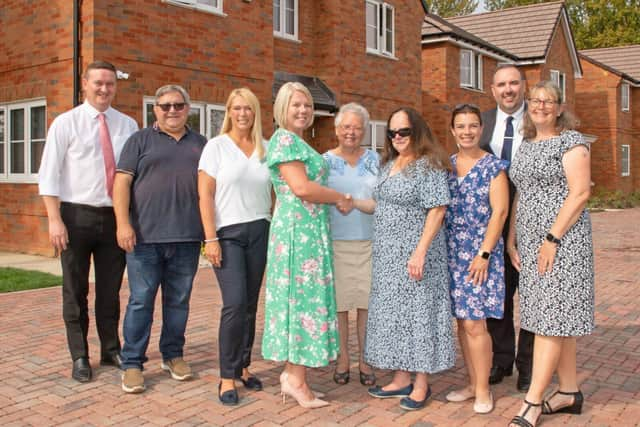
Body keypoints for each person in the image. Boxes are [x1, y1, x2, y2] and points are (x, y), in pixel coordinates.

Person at [38, 60, 138, 382]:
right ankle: (79, 355)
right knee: (75, 291)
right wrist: (55, 220)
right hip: (75, 216)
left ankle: (110, 350)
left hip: (114, 218)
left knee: (110, 292)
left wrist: (129, 220)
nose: (104, 89)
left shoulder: (128, 125)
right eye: (98, 83)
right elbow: (48, 175)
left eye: (110, 84)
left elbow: (133, 176)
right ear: (84, 84)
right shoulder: (65, 124)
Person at [507, 81, 593, 427]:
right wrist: (512, 237)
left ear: (559, 108)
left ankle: (532, 402)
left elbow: (580, 193)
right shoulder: (526, 144)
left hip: (562, 243)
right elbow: (521, 194)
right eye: (535, 100)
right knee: (555, 319)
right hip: (529, 243)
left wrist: (552, 238)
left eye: (549, 101)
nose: (541, 105)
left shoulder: (572, 142)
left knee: (549, 321)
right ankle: (569, 392)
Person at [261, 82, 352, 409]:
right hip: (298, 235)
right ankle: (297, 380)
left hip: (307, 231)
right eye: (295, 105)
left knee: (301, 300)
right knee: (301, 302)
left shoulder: (295, 141)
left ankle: (292, 375)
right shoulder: (284, 140)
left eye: (307, 106)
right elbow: (301, 188)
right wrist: (339, 197)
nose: (303, 110)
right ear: (282, 108)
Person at [113, 84, 207, 393]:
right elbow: (122, 183)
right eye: (164, 105)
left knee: (178, 301)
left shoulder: (201, 144)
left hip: (187, 238)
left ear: (187, 108)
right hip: (144, 239)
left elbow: (211, 190)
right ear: (155, 109)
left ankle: (173, 355)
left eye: (178, 105)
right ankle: (132, 363)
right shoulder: (139, 140)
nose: (172, 110)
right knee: (141, 301)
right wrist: (123, 224)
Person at [364, 107, 455, 411]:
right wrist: (346, 201)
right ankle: (401, 377)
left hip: (417, 254)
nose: (398, 137)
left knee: (419, 315)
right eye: (392, 132)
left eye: (404, 131)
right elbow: (380, 203)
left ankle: (421, 384)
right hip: (388, 256)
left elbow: (438, 209)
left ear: (417, 131)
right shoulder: (389, 163)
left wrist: (420, 251)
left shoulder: (428, 165)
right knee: (396, 316)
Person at [198, 88, 272, 405]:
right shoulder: (215, 147)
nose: (242, 114)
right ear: (229, 111)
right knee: (235, 303)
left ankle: (242, 366)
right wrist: (210, 238)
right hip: (227, 234)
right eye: (237, 108)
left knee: (251, 304)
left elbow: (273, 193)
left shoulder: (264, 148)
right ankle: (226, 376)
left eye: (249, 109)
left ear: (256, 113)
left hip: (260, 229)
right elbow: (205, 196)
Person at [444, 104, 509, 414]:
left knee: (475, 323)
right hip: (451, 252)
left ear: (481, 129)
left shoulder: (493, 167)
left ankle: (484, 390)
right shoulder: (447, 165)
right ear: (453, 130)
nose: (467, 131)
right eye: (461, 125)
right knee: (462, 322)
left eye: (472, 125)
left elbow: (501, 212)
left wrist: (484, 254)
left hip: (479, 255)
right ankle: (472, 383)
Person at [479, 63, 534, 391]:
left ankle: (528, 364)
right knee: (497, 296)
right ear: (492, 89)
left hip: (531, 221)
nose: (508, 90)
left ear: (524, 86)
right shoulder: (482, 123)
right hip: (492, 222)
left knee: (531, 296)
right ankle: (501, 359)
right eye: (502, 84)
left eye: (514, 83)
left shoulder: (541, 120)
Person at [322, 103, 379, 387]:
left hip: (370, 243)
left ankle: (366, 360)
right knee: (342, 307)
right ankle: (344, 358)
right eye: (346, 127)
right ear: (336, 130)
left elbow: (382, 201)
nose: (351, 132)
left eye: (357, 127)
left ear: (365, 131)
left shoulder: (376, 161)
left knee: (367, 306)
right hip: (337, 243)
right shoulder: (324, 161)